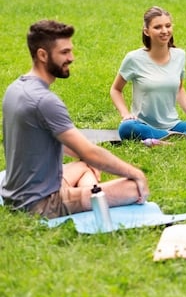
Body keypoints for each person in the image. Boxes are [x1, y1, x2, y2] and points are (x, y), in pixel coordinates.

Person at [1, 20, 149, 219]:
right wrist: (135, 172)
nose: (71, 58)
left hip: (15, 194)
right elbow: (90, 152)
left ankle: (93, 191)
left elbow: (71, 148)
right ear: (42, 55)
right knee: (134, 188)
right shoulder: (45, 101)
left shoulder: (15, 88)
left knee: (83, 166)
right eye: (64, 52)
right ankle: (93, 196)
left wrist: (87, 159)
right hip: (42, 204)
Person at [110, 6, 186, 141]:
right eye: (157, 27)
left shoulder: (179, 55)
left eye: (168, 26)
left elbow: (179, 88)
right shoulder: (134, 58)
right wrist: (125, 114)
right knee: (127, 128)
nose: (164, 31)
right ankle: (172, 138)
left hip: (173, 125)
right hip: (142, 124)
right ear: (147, 31)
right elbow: (116, 89)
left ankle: (165, 138)